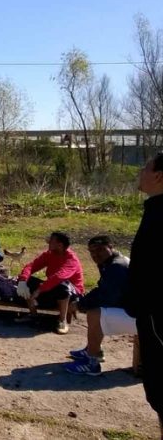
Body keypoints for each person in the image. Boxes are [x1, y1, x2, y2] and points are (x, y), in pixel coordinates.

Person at [123, 152, 163, 435]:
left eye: (145, 168)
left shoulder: (161, 215)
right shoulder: (155, 210)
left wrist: (141, 304)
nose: (141, 172)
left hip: (157, 318)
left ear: (159, 176)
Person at [64, 236, 133, 375]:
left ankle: (92, 363)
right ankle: (94, 349)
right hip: (131, 309)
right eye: (92, 251)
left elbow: (107, 297)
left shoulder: (117, 266)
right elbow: (103, 289)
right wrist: (82, 302)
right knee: (95, 310)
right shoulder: (109, 262)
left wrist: (80, 305)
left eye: (100, 250)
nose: (95, 255)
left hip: (140, 317)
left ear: (111, 246)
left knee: (95, 313)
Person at [16, 232, 85, 334]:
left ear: (60, 245)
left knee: (63, 285)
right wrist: (22, 281)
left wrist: (39, 290)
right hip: (52, 289)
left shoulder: (71, 259)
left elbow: (59, 277)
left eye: (51, 241)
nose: (48, 242)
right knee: (27, 280)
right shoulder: (49, 254)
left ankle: (62, 320)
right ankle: (33, 315)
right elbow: (31, 266)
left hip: (72, 295)